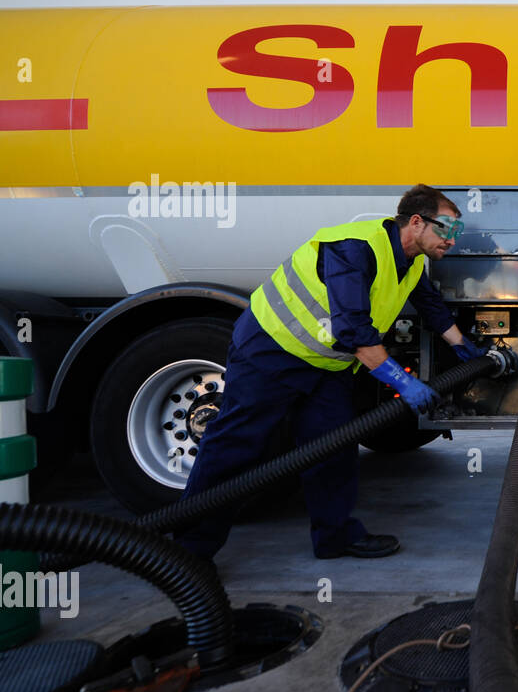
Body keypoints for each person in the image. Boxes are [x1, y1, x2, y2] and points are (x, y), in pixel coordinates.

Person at [173, 184, 484, 562]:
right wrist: (404, 383)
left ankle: (335, 537)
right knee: (237, 447)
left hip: (325, 364)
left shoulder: (411, 261)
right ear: (416, 222)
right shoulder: (354, 248)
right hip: (271, 351)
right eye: (447, 229)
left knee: (334, 447)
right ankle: (189, 553)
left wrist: (460, 344)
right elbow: (353, 331)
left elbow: (429, 304)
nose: (452, 240)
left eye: (457, 232)